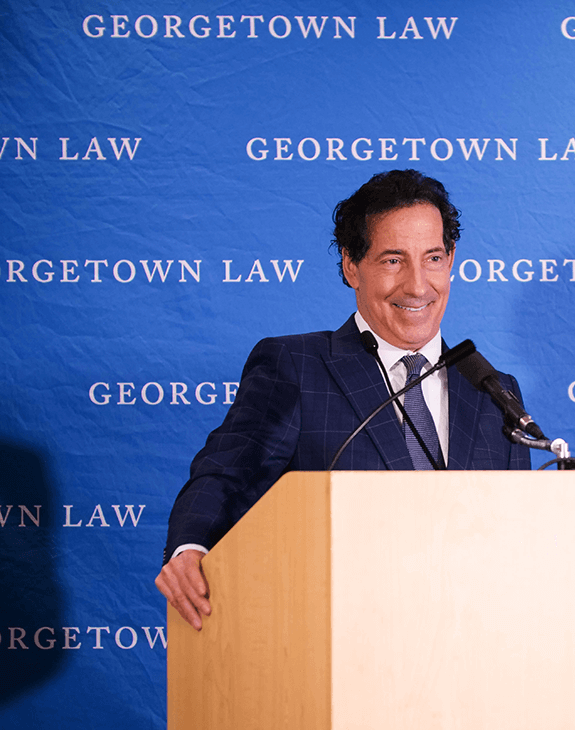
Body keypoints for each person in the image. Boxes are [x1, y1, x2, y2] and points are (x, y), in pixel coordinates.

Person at [155, 170, 531, 630]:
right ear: (352, 265)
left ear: (451, 260)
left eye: (432, 258)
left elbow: (518, 536)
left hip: (473, 640)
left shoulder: (494, 392)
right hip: (336, 637)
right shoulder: (297, 366)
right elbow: (226, 475)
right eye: (393, 260)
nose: (417, 285)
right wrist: (191, 547)